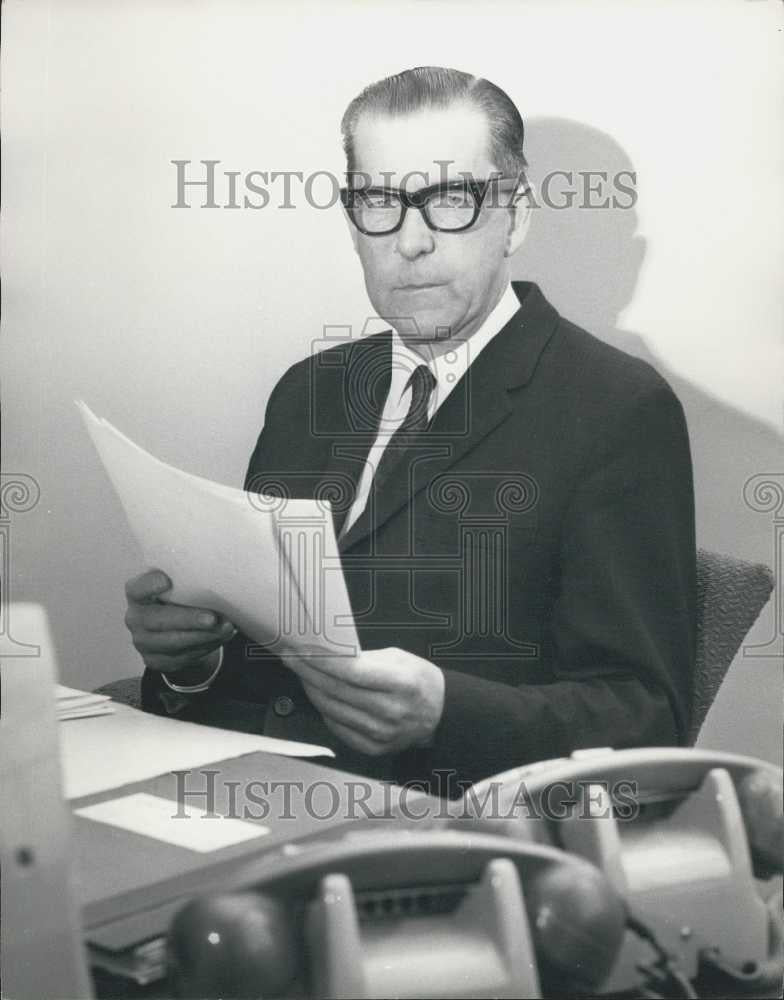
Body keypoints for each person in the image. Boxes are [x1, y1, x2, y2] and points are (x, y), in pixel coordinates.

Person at [127, 67, 696, 792]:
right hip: (236, 794)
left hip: (440, 830)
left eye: (452, 199)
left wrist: (446, 714)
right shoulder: (309, 392)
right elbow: (257, 661)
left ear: (516, 217)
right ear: (352, 219)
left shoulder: (617, 408)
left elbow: (646, 721)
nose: (412, 240)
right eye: (380, 203)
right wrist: (190, 661)